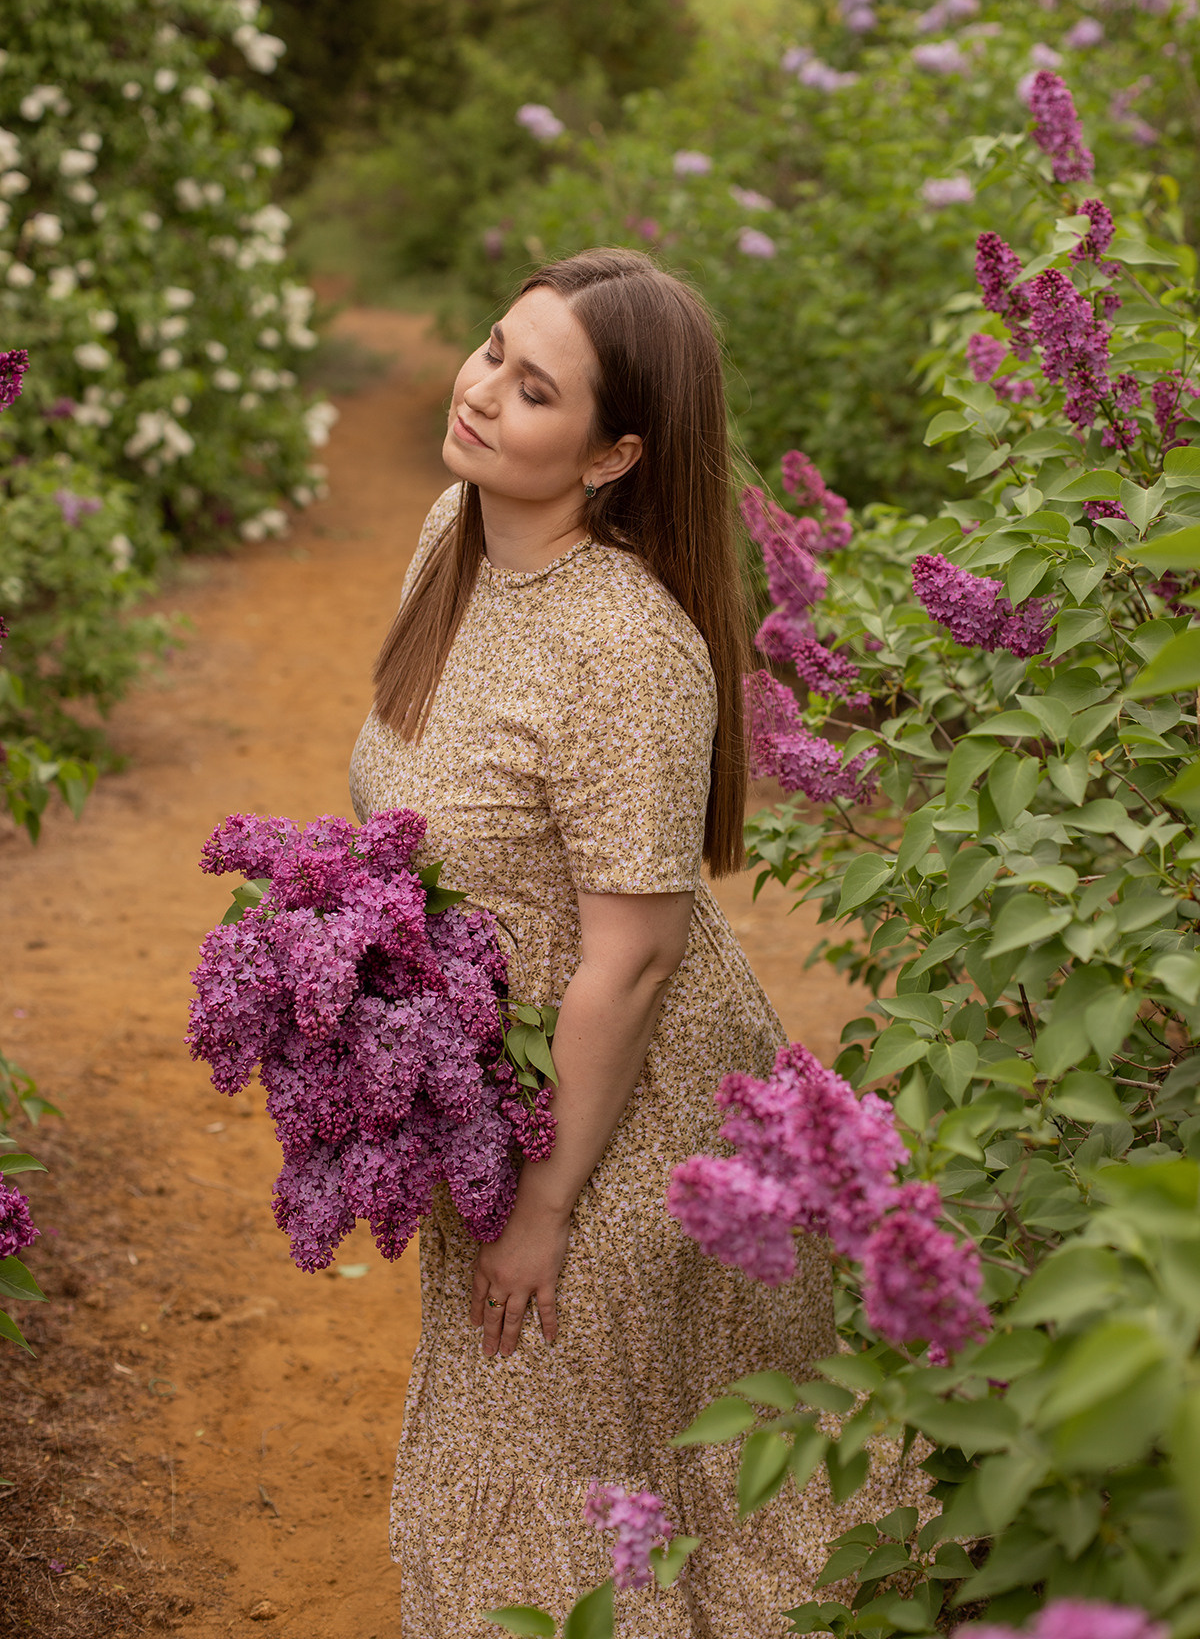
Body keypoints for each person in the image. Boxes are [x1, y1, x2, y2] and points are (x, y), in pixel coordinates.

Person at [349, 249, 915, 1636]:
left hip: (613, 1126)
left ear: (613, 454)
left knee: (579, 1498)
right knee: (543, 1461)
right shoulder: (454, 532)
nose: (481, 392)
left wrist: (544, 1204)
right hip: (498, 1085)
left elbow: (636, 960)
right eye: (493, 349)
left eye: (534, 390)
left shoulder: (630, 651)